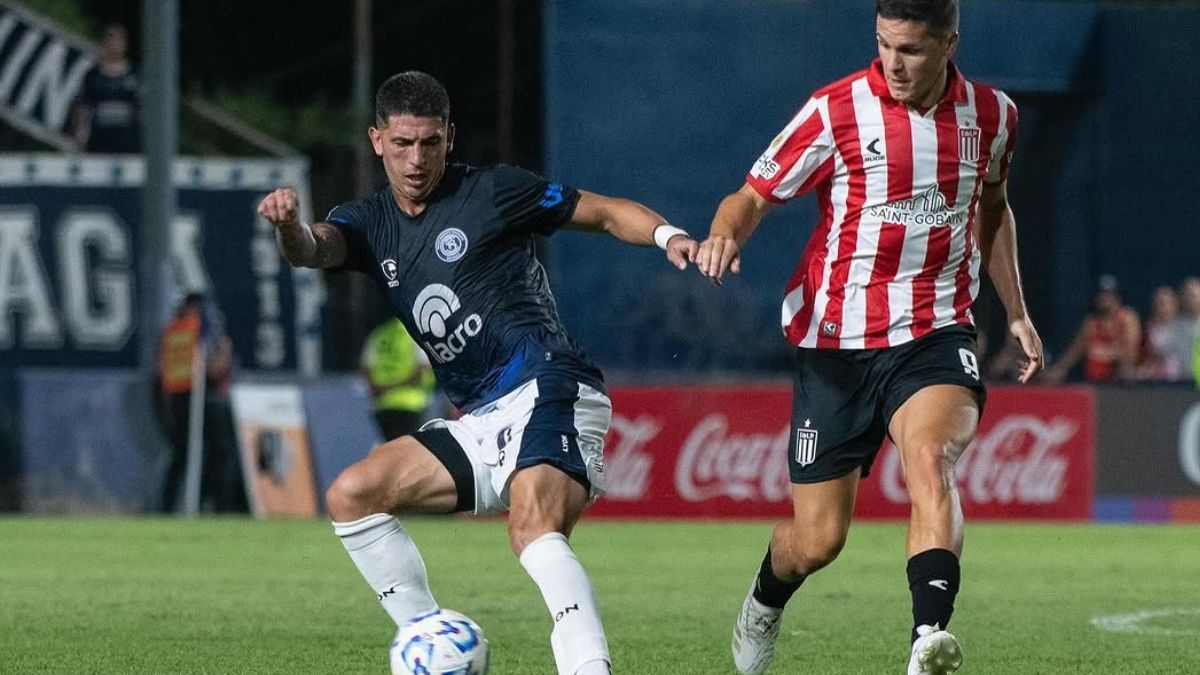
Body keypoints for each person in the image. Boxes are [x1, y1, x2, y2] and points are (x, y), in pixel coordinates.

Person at [256, 71, 697, 675]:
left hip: (548, 383)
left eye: (430, 143)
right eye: (403, 143)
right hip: (480, 418)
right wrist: (289, 229)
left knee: (532, 527)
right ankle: (433, 643)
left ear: (450, 137)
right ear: (377, 140)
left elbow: (602, 213)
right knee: (353, 495)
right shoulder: (368, 222)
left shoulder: (494, 192)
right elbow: (314, 248)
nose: (416, 160)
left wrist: (667, 235)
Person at [693, 2, 1044, 673]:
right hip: (837, 345)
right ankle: (765, 599)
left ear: (949, 44)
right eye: (884, 45)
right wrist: (723, 235)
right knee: (818, 540)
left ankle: (926, 638)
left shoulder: (994, 117)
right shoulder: (835, 110)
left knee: (930, 458)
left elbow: (994, 209)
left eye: (911, 49)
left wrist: (1017, 311)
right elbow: (752, 195)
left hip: (937, 328)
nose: (894, 63)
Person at [157, 292, 247, 513]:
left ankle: (173, 506)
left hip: (180, 397)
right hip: (200, 395)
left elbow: (163, 369)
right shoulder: (198, 330)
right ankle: (215, 505)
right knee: (213, 453)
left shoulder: (173, 331)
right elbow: (215, 367)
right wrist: (222, 352)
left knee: (189, 454)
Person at [1044, 275, 1141, 383]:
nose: (1105, 299)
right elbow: (1074, 352)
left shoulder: (1126, 317)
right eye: (1102, 295)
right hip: (1096, 380)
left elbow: (1130, 352)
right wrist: (1059, 369)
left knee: (1127, 370)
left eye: (1109, 295)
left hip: (1120, 380)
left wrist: (1104, 353)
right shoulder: (1092, 323)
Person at [359, 316, 437, 440]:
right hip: (412, 403)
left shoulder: (379, 334)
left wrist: (382, 388)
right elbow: (422, 370)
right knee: (414, 447)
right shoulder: (415, 333)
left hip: (383, 404)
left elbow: (365, 370)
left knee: (392, 446)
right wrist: (397, 386)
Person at [71, 23, 140, 153]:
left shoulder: (136, 74)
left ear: (125, 44)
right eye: (110, 38)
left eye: (119, 39)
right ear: (104, 42)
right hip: (99, 141)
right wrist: (80, 136)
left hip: (130, 141)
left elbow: (146, 107)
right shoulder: (92, 75)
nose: (114, 43)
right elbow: (83, 107)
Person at [1136, 286, 1183, 381]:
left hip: (1184, 380)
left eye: (1167, 303)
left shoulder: (1184, 328)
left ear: (1175, 305)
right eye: (1160, 303)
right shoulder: (1147, 330)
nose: (1164, 307)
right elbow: (1145, 359)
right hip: (1158, 382)